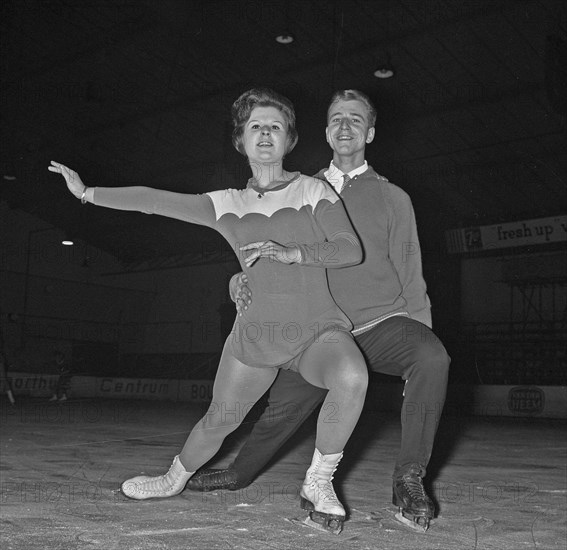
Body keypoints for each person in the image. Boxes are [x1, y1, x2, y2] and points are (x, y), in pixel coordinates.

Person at [49, 88, 368, 535]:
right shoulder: (225, 204)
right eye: (255, 126)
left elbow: (350, 250)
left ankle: (319, 481)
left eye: (275, 126)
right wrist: (87, 193)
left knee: (352, 376)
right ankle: (173, 478)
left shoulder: (314, 189)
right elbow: (154, 199)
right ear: (240, 139)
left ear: (290, 140)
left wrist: (292, 252)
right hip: (256, 334)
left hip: (316, 329)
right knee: (220, 420)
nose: (264, 134)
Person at [187, 90, 451, 533]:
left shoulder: (393, 198)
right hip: (318, 329)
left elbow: (411, 271)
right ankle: (240, 472)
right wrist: (238, 281)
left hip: (380, 323)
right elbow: (263, 254)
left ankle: (409, 479)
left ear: (369, 132)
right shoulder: (300, 190)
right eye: (336, 119)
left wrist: (418, 336)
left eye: (355, 119)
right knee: (282, 412)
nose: (345, 126)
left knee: (432, 358)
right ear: (325, 131)